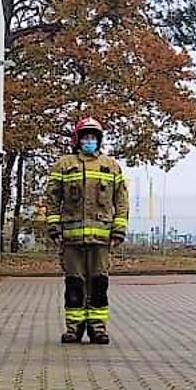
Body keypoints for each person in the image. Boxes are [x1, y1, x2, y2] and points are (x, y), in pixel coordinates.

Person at [44, 118, 128, 344]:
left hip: (101, 239)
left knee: (99, 284)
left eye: (93, 137)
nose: (89, 141)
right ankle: (73, 329)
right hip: (71, 240)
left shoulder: (111, 167)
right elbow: (52, 198)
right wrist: (54, 227)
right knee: (74, 285)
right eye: (85, 137)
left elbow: (121, 200)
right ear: (78, 140)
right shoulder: (64, 166)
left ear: (99, 140)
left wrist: (119, 229)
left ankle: (98, 329)